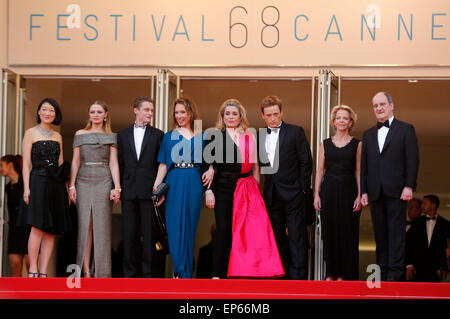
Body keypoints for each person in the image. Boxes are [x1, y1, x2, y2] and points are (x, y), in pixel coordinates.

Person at [206, 98, 284, 279]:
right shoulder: (214, 135)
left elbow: (256, 166)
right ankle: (218, 273)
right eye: (227, 114)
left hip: (245, 186)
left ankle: (241, 273)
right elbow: (208, 164)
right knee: (224, 228)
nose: (231, 117)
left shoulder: (250, 135)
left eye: (234, 113)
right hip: (223, 187)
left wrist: (255, 189)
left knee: (246, 230)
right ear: (222, 117)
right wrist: (208, 186)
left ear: (241, 116)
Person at [361, 92, 419, 282]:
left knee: (396, 236)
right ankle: (380, 278)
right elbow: (365, 165)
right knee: (380, 237)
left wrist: (409, 185)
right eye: (375, 105)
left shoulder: (406, 129)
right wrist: (364, 191)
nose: (379, 108)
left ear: (392, 105)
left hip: (397, 191)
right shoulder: (368, 134)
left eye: (382, 104)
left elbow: (412, 160)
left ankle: (394, 277)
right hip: (375, 192)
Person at [153, 97, 214, 278]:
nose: (179, 116)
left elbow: (208, 162)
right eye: (176, 113)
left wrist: (211, 170)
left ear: (191, 113)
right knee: (174, 229)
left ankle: (185, 274)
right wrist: (156, 188)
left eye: (183, 112)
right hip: (174, 181)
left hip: (194, 181)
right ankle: (179, 272)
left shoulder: (202, 136)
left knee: (189, 229)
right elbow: (163, 165)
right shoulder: (168, 136)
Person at [259, 95, 313, 280]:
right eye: (269, 115)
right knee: (276, 238)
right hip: (271, 195)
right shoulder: (259, 135)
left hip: (294, 193)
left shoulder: (296, 132)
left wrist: (302, 188)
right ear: (263, 116)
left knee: (297, 237)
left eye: (276, 113)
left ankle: (298, 280)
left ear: (281, 112)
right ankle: (279, 278)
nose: (273, 118)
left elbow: (306, 160)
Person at [19, 97, 71, 278]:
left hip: (56, 184)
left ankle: (43, 272)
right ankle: (32, 269)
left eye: (52, 111)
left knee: (52, 230)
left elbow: (61, 163)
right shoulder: (30, 133)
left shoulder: (58, 136)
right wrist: (27, 188)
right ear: (39, 112)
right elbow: (26, 164)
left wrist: (65, 188)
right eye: (45, 109)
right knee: (37, 227)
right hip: (37, 181)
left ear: (56, 115)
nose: (48, 113)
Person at [68, 101, 121, 278]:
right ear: (89, 114)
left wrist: (117, 187)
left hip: (104, 178)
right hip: (83, 179)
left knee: (102, 225)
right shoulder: (80, 134)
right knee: (85, 225)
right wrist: (72, 185)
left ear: (106, 114)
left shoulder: (112, 136)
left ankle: (102, 273)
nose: (96, 114)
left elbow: (114, 163)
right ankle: (86, 271)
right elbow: (75, 161)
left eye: (99, 111)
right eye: (92, 111)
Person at [117, 97, 164, 278]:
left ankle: (148, 274)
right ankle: (129, 274)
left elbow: (161, 164)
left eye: (151, 110)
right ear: (135, 110)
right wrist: (118, 187)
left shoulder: (158, 135)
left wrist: (160, 190)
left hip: (149, 190)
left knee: (149, 235)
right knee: (129, 234)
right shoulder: (122, 135)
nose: (149, 113)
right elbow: (119, 164)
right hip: (128, 190)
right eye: (146, 109)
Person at [313, 105, 362, 281]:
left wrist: (359, 194)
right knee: (329, 232)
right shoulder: (325, 144)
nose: (341, 121)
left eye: (345, 118)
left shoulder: (358, 144)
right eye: (338, 118)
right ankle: (330, 273)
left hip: (349, 192)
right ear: (334, 122)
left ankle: (344, 274)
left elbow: (358, 171)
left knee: (347, 234)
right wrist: (316, 194)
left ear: (350, 122)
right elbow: (319, 171)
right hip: (329, 192)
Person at [406, 195, 450, 282]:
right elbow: (408, 243)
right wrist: (409, 264)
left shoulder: (445, 224)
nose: (422, 206)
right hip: (416, 268)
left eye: (424, 203)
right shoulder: (416, 222)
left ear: (433, 205)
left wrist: (445, 267)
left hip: (435, 270)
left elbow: (445, 247)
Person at [1, 155, 30, 277]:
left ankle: (34, 294)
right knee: (14, 264)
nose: (1, 169)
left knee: (31, 265)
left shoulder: (25, 183)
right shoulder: (6, 187)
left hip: (27, 228)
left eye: (2, 165)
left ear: (10, 165)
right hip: (14, 229)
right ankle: (17, 295)